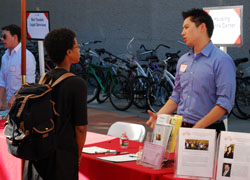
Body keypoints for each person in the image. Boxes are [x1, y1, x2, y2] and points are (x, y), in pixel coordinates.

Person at [146, 8, 236, 134]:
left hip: (208, 130)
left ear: (202, 27)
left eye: (187, 27)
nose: (182, 32)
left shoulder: (222, 60)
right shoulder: (183, 60)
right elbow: (176, 96)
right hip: (182, 127)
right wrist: (158, 115)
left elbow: (224, 103)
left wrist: (196, 130)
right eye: (183, 28)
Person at [23, 28, 88, 180]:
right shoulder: (76, 83)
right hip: (61, 156)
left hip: (39, 151)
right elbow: (80, 128)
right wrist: (77, 156)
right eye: (77, 46)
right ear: (68, 52)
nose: (79, 49)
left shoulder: (44, 77)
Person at [0, 24, 36, 109]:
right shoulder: (5, 56)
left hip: (23, 104)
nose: (2, 39)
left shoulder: (26, 55)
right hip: (10, 105)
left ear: (15, 37)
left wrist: (16, 96)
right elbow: (2, 80)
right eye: (1, 36)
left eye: (5, 37)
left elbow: (29, 83)